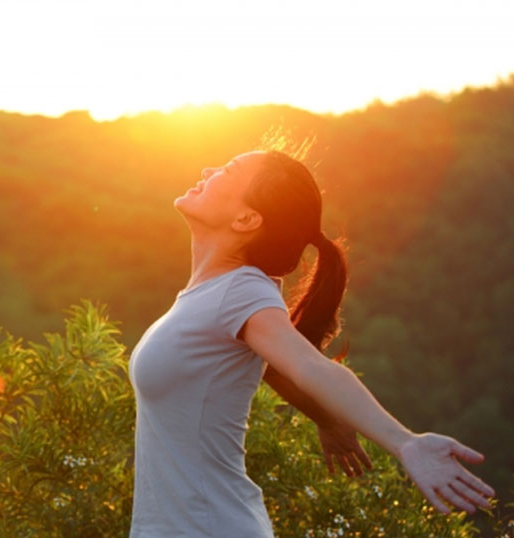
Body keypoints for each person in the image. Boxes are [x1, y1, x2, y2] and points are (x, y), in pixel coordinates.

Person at [126, 150, 496, 537]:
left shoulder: (242, 291)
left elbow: (309, 365)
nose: (207, 170)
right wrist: (326, 418)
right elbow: (271, 368)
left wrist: (405, 443)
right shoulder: (210, 295)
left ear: (246, 219)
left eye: (227, 171)